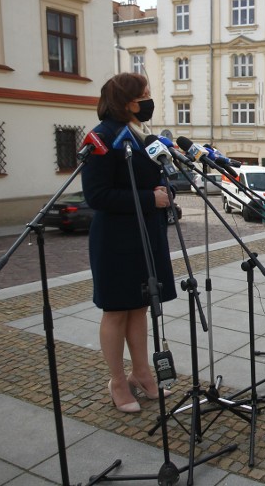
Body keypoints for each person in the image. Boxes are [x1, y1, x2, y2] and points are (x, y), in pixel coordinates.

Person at [82, 73, 177, 413]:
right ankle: (117, 380)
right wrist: (150, 199)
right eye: (144, 96)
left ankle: (142, 373)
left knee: (139, 308)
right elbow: (97, 195)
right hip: (116, 241)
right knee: (116, 311)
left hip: (146, 236)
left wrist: (165, 194)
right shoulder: (102, 137)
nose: (149, 102)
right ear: (126, 101)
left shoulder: (142, 136)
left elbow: (158, 181)